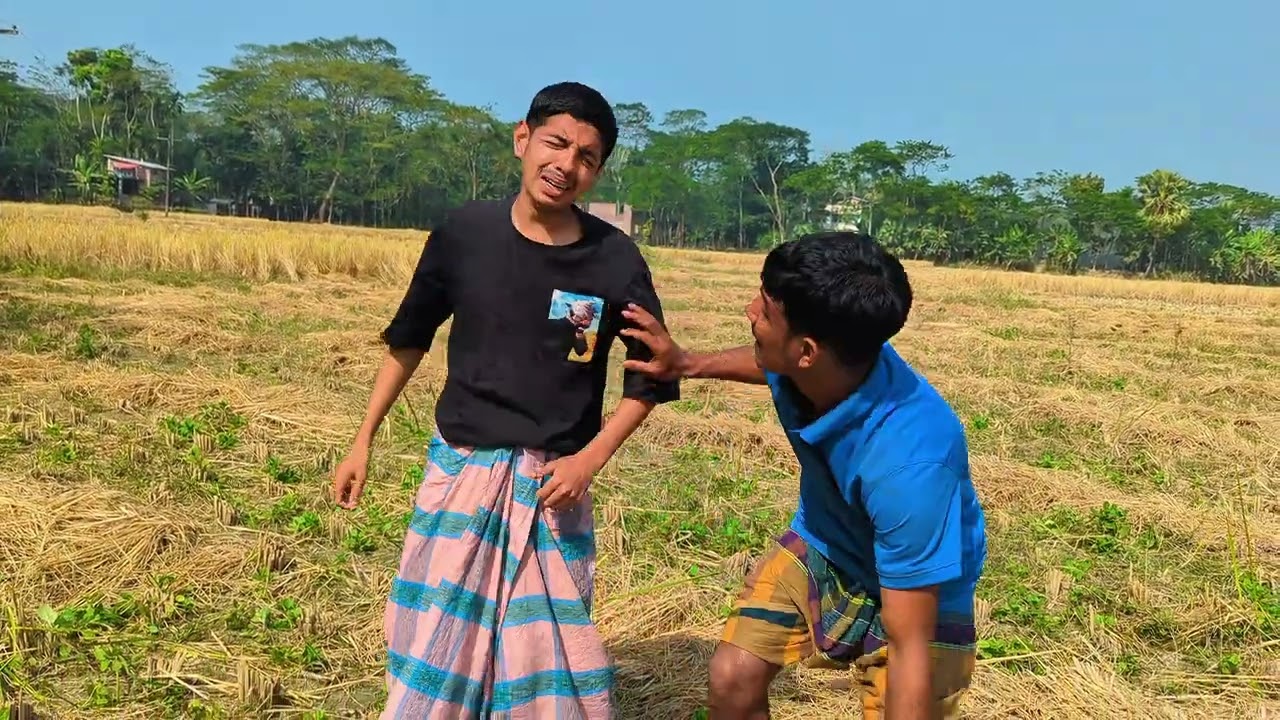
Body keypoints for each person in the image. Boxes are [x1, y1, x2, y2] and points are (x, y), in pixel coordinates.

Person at [331, 81, 680, 719]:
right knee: (436, 644)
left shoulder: (614, 261)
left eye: (587, 158)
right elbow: (408, 339)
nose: (566, 165)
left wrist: (588, 461)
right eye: (556, 143)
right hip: (461, 471)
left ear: (598, 172)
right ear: (523, 139)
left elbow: (650, 377)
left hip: (553, 488)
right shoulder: (465, 234)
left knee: (542, 663)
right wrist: (363, 440)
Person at [618, 231, 987, 720]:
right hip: (826, 543)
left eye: (766, 311)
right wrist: (687, 363)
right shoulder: (821, 361)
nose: (750, 311)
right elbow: (771, 360)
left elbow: (909, 645)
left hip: (922, 592)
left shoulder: (910, 466)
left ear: (807, 352)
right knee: (732, 678)